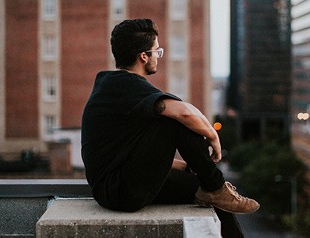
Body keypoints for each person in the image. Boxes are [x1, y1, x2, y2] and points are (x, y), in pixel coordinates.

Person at [81, 18, 259, 237]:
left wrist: (181, 165)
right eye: (157, 51)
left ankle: (215, 190)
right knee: (172, 120)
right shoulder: (125, 85)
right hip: (120, 192)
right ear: (143, 56)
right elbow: (184, 112)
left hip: (116, 188)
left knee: (210, 197)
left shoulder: (113, 85)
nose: (159, 56)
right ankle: (216, 186)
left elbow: (125, 148)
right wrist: (212, 134)